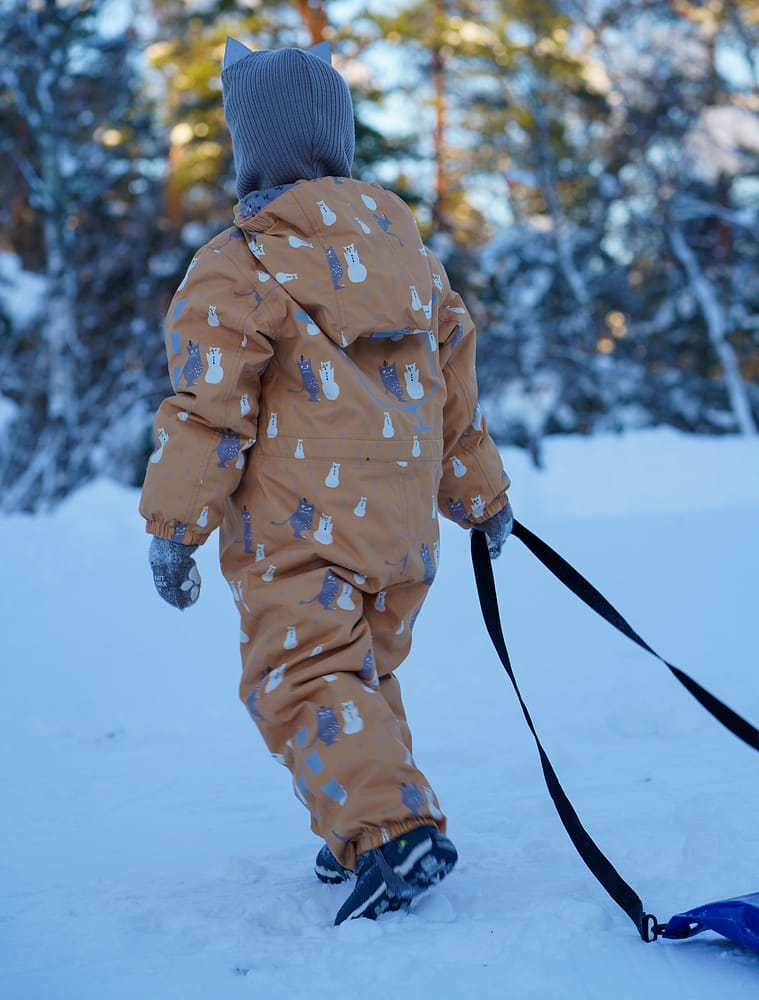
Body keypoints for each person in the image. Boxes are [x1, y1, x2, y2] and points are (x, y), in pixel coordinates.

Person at [140, 36, 512, 925]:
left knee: (304, 676)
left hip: (298, 526)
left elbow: (206, 408)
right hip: (402, 529)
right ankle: (365, 818)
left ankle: (389, 831)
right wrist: (482, 498)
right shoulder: (414, 260)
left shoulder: (239, 261)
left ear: (250, 148)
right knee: (361, 675)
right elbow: (456, 396)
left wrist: (176, 526)